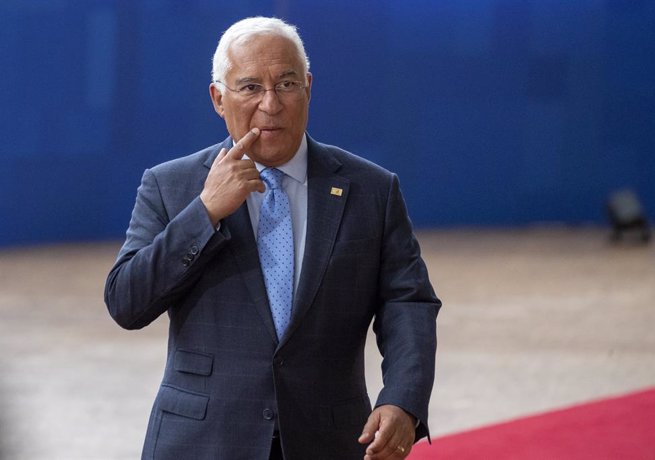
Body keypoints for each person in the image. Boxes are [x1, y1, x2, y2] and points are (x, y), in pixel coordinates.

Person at [104, 16, 440, 460]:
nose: (271, 104)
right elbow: (127, 303)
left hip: (330, 440)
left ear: (308, 88)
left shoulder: (371, 189)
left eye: (286, 84)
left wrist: (403, 399)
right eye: (249, 88)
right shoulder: (171, 186)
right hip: (203, 443)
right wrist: (204, 213)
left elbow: (408, 303)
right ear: (218, 99)